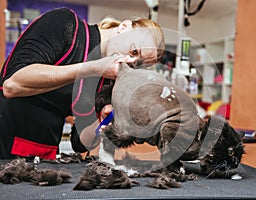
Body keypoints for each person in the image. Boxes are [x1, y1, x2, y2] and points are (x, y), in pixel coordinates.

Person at [0, 8, 165, 160]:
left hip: (41, 153)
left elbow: (81, 143)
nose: (129, 61)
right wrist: (92, 69)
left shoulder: (108, 80)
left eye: (136, 64)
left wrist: (104, 121)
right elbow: (12, 84)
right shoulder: (65, 25)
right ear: (124, 26)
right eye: (134, 51)